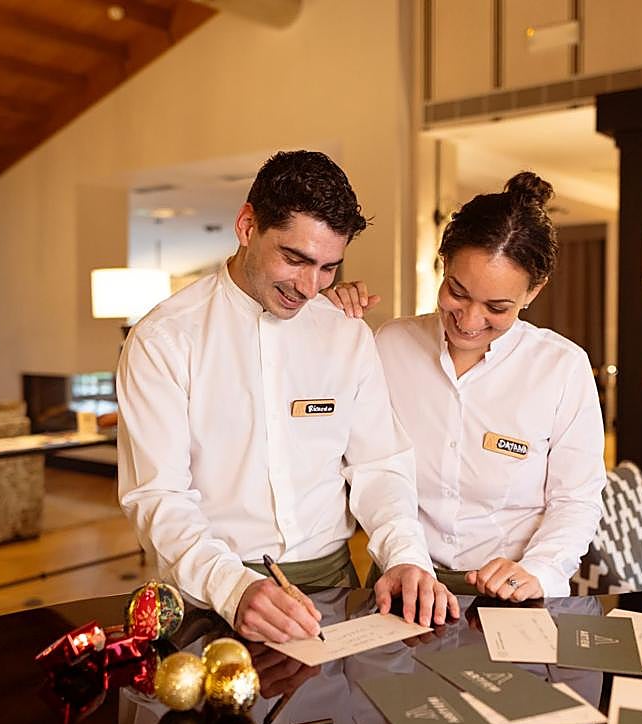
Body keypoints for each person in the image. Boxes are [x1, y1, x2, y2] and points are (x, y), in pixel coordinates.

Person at [116, 150, 459, 644]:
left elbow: (379, 464)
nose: (309, 286)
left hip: (335, 590)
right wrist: (232, 588)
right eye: (294, 259)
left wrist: (405, 555)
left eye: (328, 267)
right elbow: (158, 495)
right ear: (246, 225)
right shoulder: (164, 339)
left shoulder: (346, 334)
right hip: (210, 593)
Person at [323, 173, 605, 600]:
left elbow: (576, 500)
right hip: (403, 581)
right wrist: (324, 320)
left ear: (533, 291)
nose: (470, 321)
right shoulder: (390, 345)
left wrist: (540, 570)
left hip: (511, 590)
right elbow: (355, 457)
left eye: (497, 307)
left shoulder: (562, 369)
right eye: (457, 292)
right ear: (444, 263)